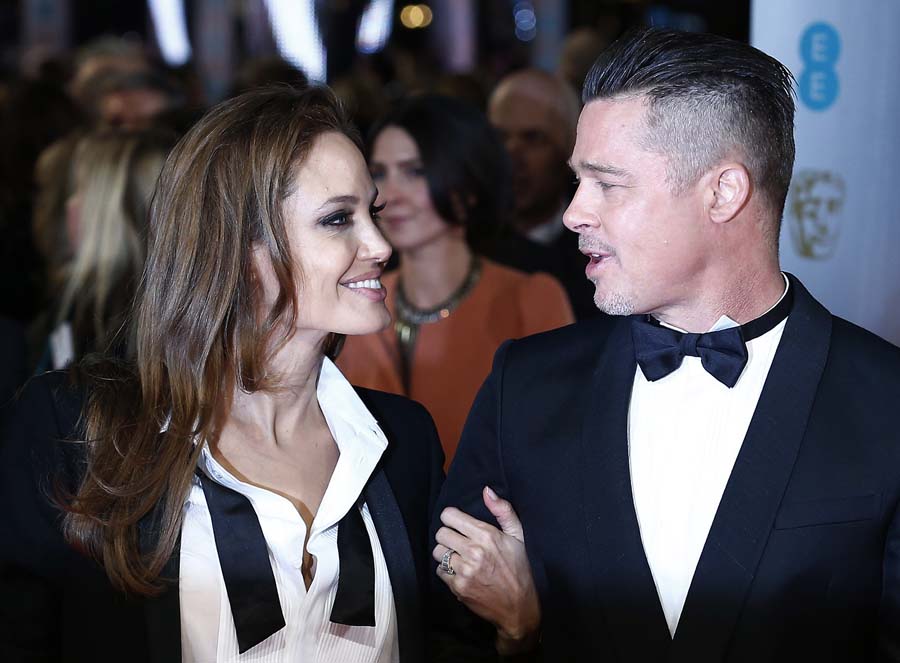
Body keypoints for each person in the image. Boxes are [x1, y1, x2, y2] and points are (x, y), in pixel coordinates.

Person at [430, 28, 900, 661]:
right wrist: (521, 633)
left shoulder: (885, 403)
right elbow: (441, 634)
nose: (574, 213)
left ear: (724, 193)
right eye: (577, 182)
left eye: (607, 184)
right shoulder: (528, 388)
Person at [0, 86, 444, 662]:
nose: (381, 245)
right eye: (338, 219)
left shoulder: (402, 445)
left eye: (372, 212)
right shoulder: (75, 431)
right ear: (238, 247)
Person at [338, 95, 573, 467]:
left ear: (467, 185)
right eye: (379, 173)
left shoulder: (529, 301)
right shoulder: (355, 303)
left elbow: (561, 442)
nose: (390, 195)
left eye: (414, 171)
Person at [31, 128, 174, 371]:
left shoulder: (92, 322)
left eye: (80, 191)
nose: (70, 206)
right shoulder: (182, 307)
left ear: (109, 215)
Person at [485, 69, 598, 319]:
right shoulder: (467, 244)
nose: (512, 155)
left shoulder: (601, 245)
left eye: (533, 138)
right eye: (500, 137)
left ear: (570, 149)